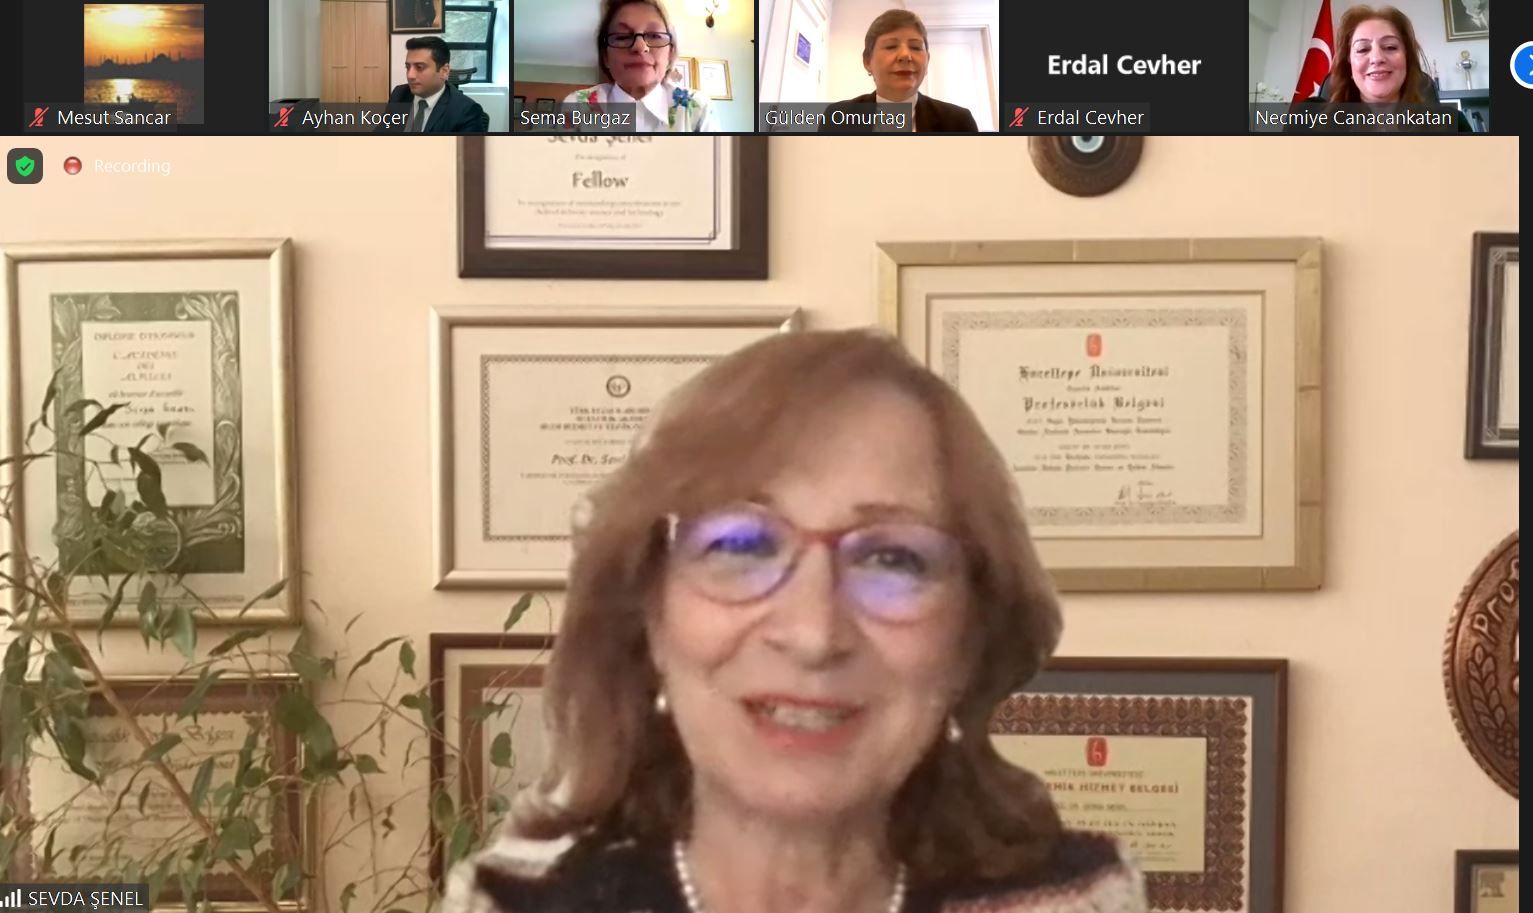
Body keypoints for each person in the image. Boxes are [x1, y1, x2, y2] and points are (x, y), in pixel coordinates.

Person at [444, 330, 1147, 913]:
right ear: (651, 617)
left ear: (967, 640)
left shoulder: (1078, 899)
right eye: (741, 545)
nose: (813, 634)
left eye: (892, 558)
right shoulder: (507, 905)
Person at [1289, 5, 1471, 132]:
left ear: (1407, 58)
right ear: (1349, 63)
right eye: (1362, 49)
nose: (1376, 58)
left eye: (1390, 47)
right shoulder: (1308, 118)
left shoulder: (1452, 124)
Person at [562, 0, 715, 132]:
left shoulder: (697, 109)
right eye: (622, 37)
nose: (640, 47)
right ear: (605, 57)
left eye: (654, 35)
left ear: (670, 54)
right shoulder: (577, 106)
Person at [822, 10, 978, 133]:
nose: (905, 55)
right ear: (867, 61)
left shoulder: (958, 122)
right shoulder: (837, 117)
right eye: (891, 46)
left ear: (927, 60)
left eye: (915, 47)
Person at [385, 36, 489, 133]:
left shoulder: (466, 111)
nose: (410, 75)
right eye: (408, 67)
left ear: (444, 71)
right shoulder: (400, 94)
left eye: (420, 67)